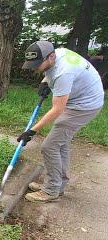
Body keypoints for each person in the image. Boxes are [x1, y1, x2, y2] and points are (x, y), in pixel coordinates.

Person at [18, 40, 104, 202]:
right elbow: (49, 71)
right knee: (60, 143)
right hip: (83, 99)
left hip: (84, 106)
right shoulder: (59, 52)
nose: (35, 68)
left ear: (51, 57)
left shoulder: (63, 74)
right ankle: (58, 184)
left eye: (37, 64)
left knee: (49, 146)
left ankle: (51, 190)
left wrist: (31, 131)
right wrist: (45, 81)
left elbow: (57, 110)